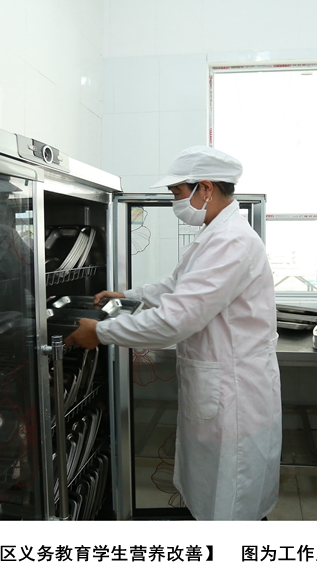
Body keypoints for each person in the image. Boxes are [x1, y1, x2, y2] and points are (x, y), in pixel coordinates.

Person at [66, 146, 282, 521]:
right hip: (222, 384)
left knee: (230, 499)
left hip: (234, 394)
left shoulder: (230, 241)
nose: (175, 202)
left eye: (177, 192)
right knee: (217, 491)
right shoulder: (216, 235)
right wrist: (128, 295)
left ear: (206, 188)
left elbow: (177, 318)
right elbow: (177, 286)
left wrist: (101, 332)